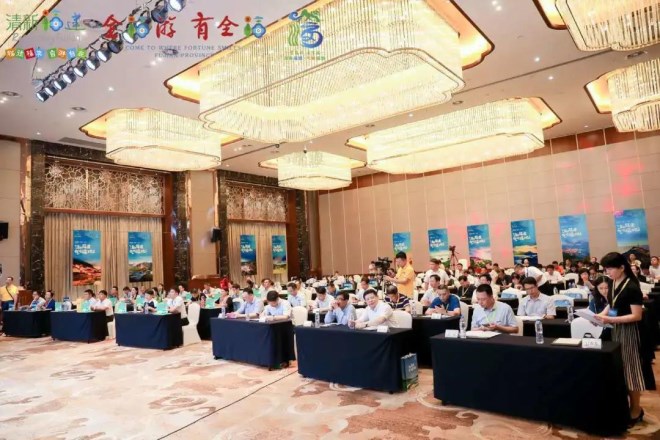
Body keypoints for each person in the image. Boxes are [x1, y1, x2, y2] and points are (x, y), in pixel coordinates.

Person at [593, 252, 649, 426]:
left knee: (631, 370)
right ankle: (625, 405)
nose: (607, 272)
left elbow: (636, 315)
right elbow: (612, 305)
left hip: (629, 331)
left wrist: (610, 319)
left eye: (610, 269)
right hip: (616, 329)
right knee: (621, 369)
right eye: (605, 269)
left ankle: (636, 409)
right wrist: (600, 316)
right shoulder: (613, 282)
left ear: (622, 268)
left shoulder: (632, 286)